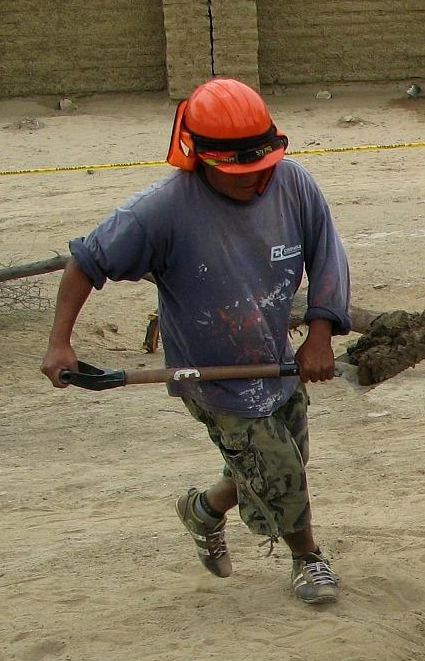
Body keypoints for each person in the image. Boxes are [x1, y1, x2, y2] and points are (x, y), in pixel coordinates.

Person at [40, 78, 352, 606]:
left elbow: (327, 255)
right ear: (199, 158)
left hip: (275, 360)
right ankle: (308, 559)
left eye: (261, 166)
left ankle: (203, 510)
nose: (254, 179)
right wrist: (59, 343)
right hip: (212, 375)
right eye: (238, 172)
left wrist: (319, 334)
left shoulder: (294, 185)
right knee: (277, 470)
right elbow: (86, 263)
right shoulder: (161, 210)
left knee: (283, 461)